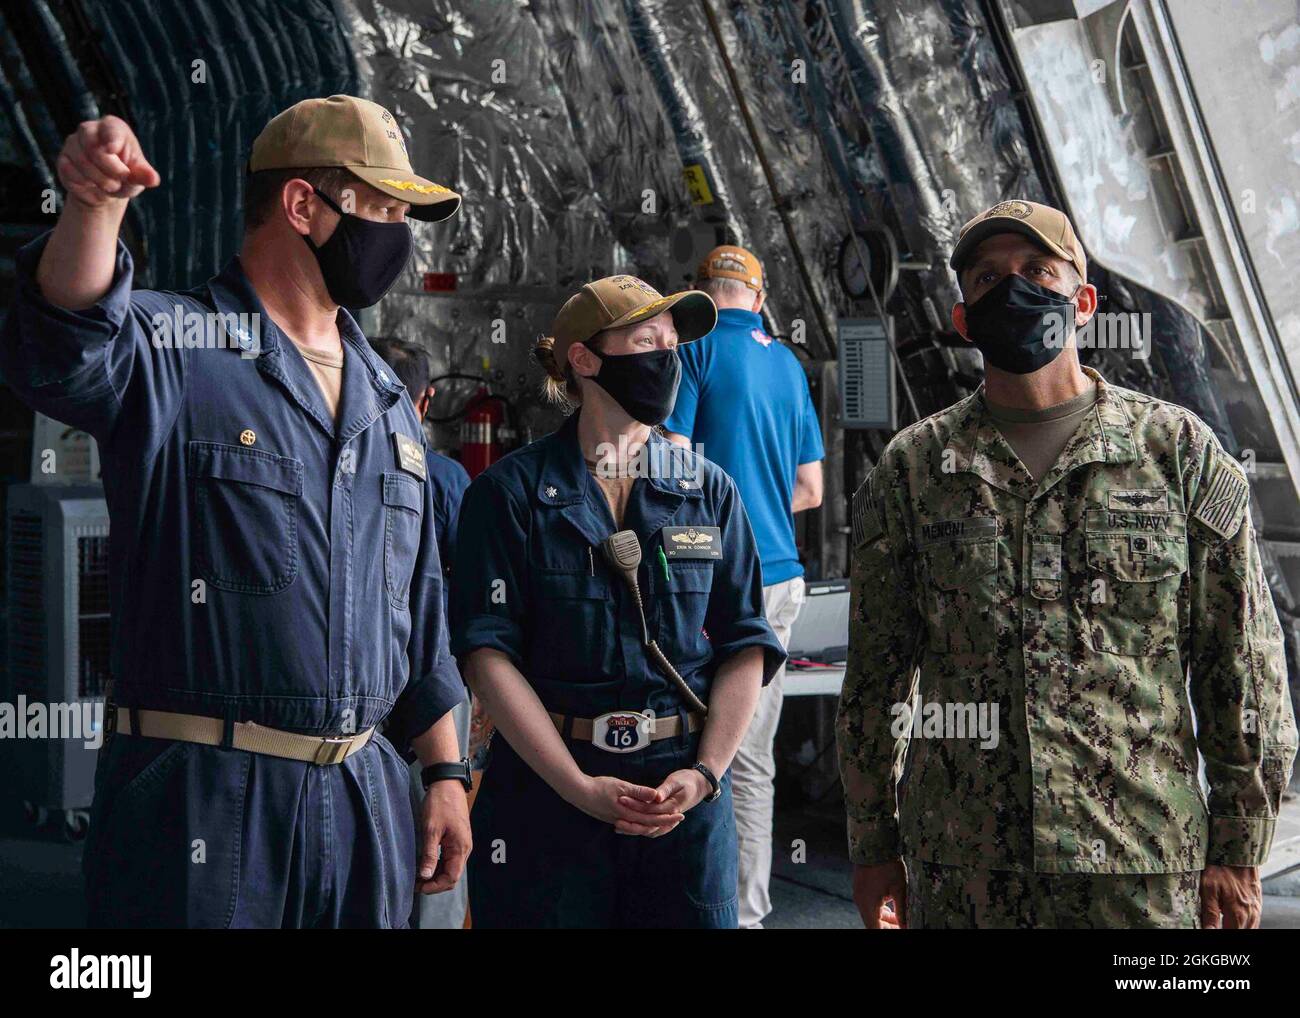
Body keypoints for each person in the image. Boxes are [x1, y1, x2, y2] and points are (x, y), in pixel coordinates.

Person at [0, 95, 473, 927]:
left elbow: (421, 617)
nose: (400, 234)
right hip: (207, 803)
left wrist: (444, 776)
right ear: (302, 206)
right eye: (385, 208)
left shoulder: (390, 403)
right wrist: (93, 207)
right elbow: (64, 346)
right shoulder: (176, 348)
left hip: (365, 801)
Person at [838, 199, 1297, 929]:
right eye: (988, 279)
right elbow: (875, 677)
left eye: (1037, 271)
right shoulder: (916, 468)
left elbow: (1239, 664)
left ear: (1082, 303)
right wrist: (872, 844)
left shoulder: (1175, 452)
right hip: (966, 870)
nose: (1013, 288)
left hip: (1138, 864)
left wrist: (1239, 847)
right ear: (964, 320)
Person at [450, 274, 787, 928]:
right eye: (647, 341)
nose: (668, 358)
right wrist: (578, 788)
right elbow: (487, 654)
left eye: (673, 344)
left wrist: (707, 774)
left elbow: (747, 643)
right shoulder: (508, 495)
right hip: (546, 804)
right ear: (585, 359)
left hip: (680, 804)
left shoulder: (710, 491)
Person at [663, 244, 824, 928]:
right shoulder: (787, 365)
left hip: (710, 578)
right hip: (780, 580)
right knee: (750, 756)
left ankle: (685, 906)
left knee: (686, 744)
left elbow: (668, 463)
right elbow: (811, 489)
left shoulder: (692, 351)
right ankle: (747, 915)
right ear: (759, 300)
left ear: (700, 293)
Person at [370, 337, 473, 929]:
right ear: (426, 400)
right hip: (438, 676)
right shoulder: (447, 477)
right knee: (438, 816)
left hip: (362, 686)